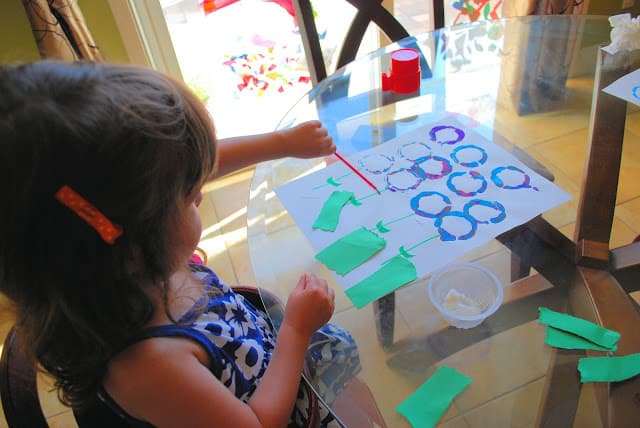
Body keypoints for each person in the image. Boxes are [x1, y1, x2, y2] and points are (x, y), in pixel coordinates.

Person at [0, 60, 359, 427]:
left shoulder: (117, 260)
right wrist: (296, 331)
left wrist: (280, 143)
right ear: (129, 246)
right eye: (189, 196)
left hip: (268, 360)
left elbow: (179, 171)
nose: (201, 195)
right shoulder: (150, 366)